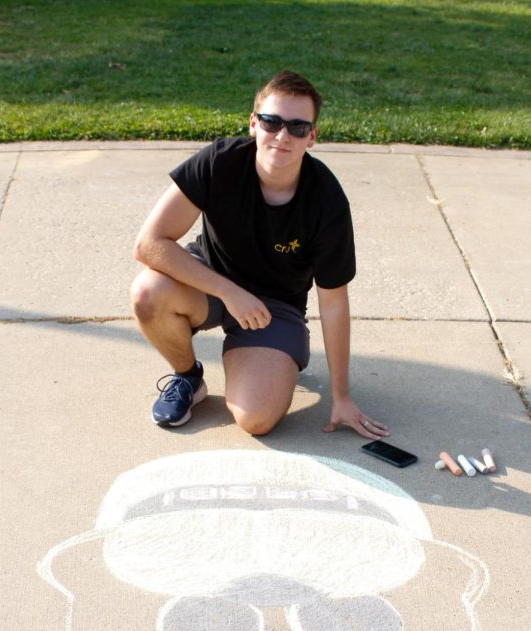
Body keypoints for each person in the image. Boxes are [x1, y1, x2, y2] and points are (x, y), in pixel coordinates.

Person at [130, 70, 388, 440]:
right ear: (254, 124)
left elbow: (333, 303)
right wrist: (229, 292)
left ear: (312, 136)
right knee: (147, 293)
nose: (282, 136)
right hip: (211, 282)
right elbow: (149, 243)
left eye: (298, 127)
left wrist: (342, 396)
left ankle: (263, 360)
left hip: (274, 308)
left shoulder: (327, 201)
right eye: (272, 122)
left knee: (257, 420)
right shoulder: (219, 162)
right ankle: (188, 378)